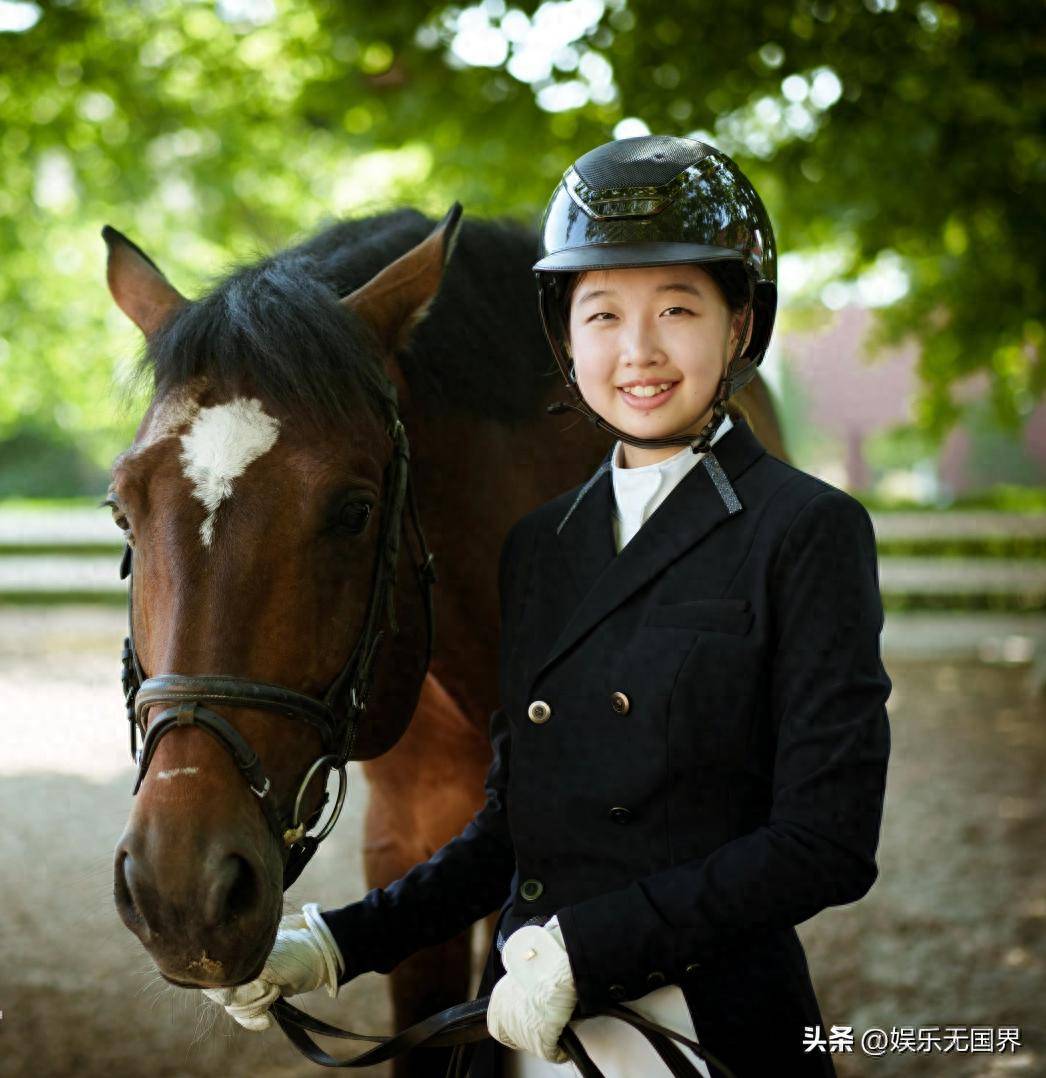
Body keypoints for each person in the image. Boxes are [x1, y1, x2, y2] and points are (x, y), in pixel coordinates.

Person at [204, 135, 892, 1078]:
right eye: (601, 314)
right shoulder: (540, 547)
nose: (638, 352)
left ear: (739, 326)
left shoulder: (810, 531)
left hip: (711, 1032)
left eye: (678, 309)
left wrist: (585, 950)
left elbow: (826, 844)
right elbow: (516, 823)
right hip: (524, 1044)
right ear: (564, 341)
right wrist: (337, 942)